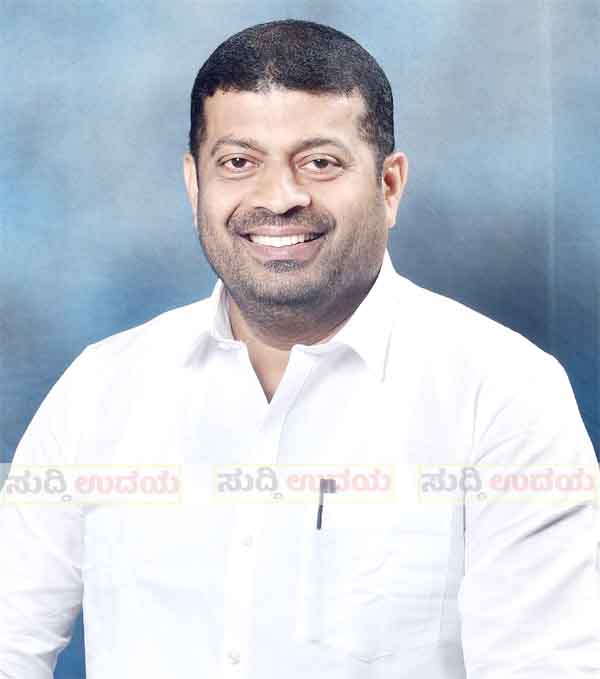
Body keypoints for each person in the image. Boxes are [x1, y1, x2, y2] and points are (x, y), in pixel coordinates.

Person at [1, 18, 599, 679]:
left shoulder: (504, 394)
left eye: (319, 162)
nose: (279, 198)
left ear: (389, 186)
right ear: (195, 184)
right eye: (238, 162)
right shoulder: (98, 390)